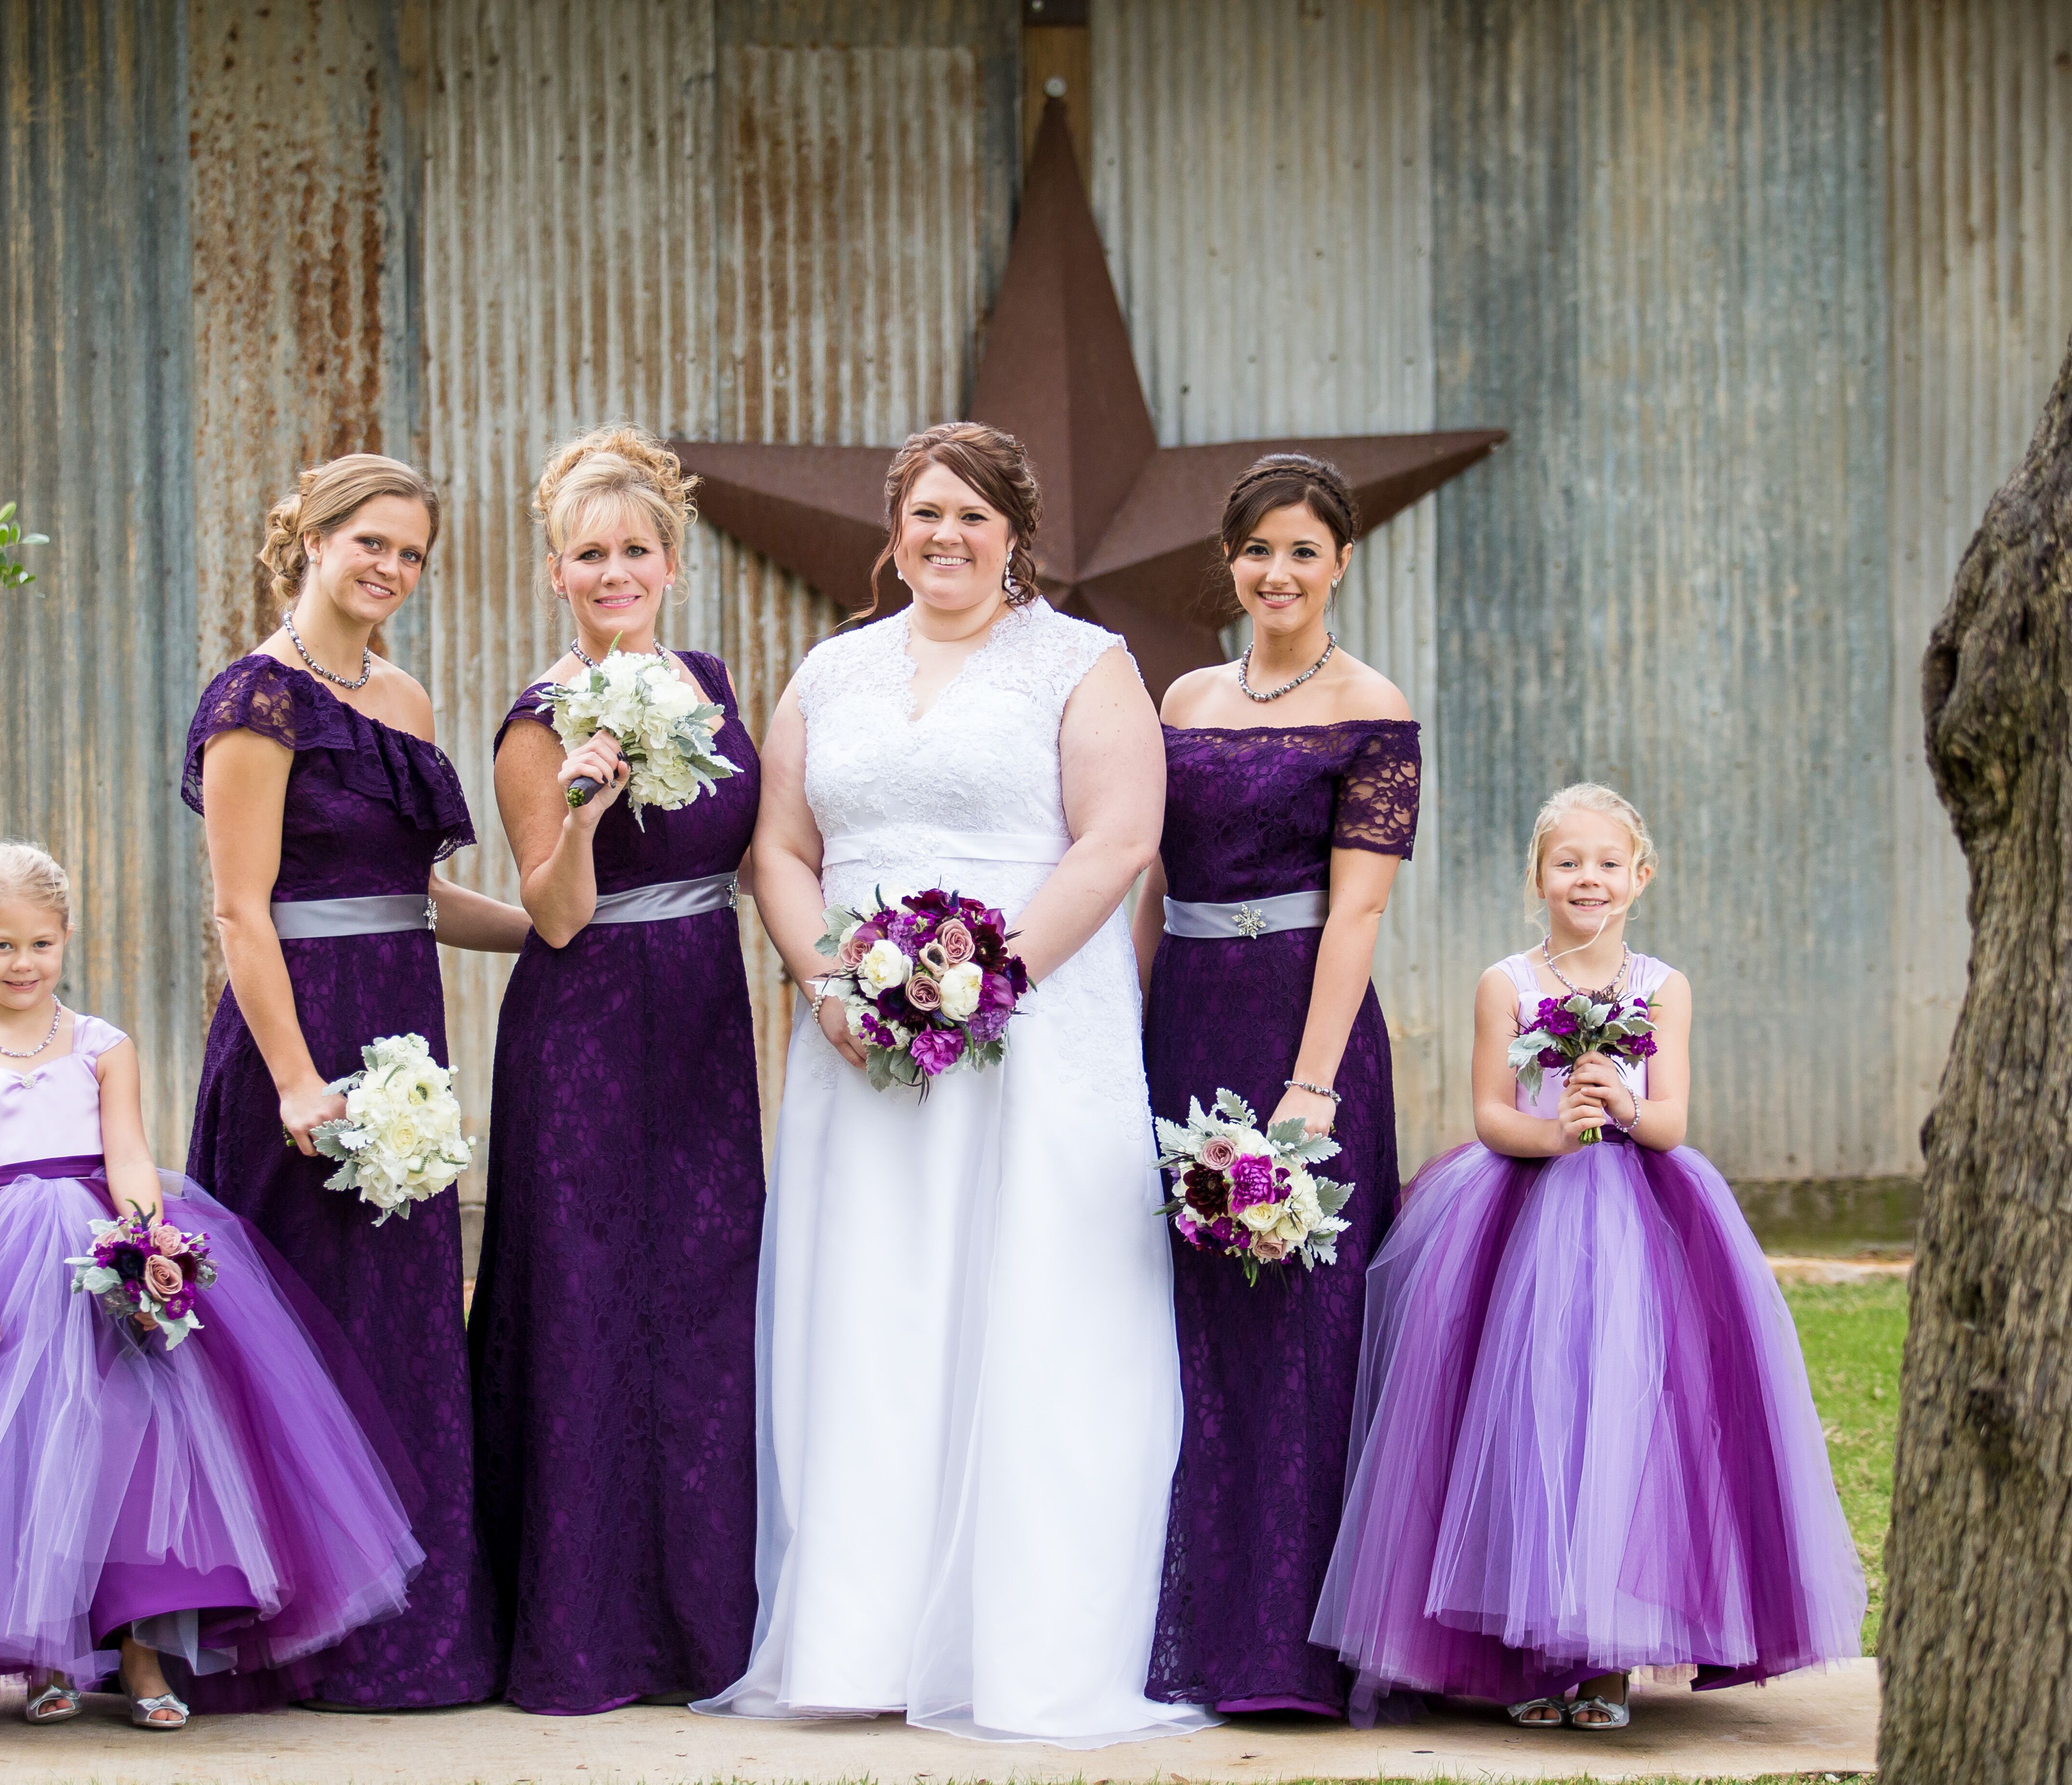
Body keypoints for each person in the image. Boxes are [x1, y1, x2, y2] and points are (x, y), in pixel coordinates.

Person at [698, 421, 1211, 1748]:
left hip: (1033, 1032)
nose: (947, 537)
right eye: (927, 512)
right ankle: (858, 1641)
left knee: (1033, 1307)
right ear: (895, 524)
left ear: (1014, 533)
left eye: (974, 517)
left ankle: (1015, 1646)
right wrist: (830, 987)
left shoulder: (1084, 664)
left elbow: (1119, 842)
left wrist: (989, 976)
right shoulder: (832, 668)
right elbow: (782, 851)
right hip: (859, 1046)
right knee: (872, 1312)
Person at [0, 844, 423, 1728]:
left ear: (66, 940)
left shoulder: (101, 1046)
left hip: (100, 1264)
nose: (24, 964)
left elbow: (127, 1153)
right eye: (2, 946)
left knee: (133, 1447)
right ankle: (44, 1658)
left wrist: (147, 1244)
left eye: (41, 944)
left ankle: (141, 1658)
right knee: (10, 1460)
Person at [1310, 785, 1866, 1729]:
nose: (1589, 880)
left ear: (1640, 878)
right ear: (1539, 878)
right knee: (1527, 1422)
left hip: (1638, 1234)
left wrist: (1622, 1107)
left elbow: (1674, 1119)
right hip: (1522, 1226)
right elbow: (1491, 1113)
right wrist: (1556, 1132)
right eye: (1569, 863)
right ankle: (1529, 1661)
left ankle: (1605, 1663)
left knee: (1617, 1424)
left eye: (1609, 864)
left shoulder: (1663, 986)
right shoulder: (1507, 984)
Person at [183, 453, 530, 1709]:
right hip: (300, 1054)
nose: (389, 568)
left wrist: (556, 928)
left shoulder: (407, 702)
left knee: (403, 1334)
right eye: (368, 542)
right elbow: (239, 909)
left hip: (402, 1062)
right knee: (294, 1343)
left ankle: (404, 1642)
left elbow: (421, 901)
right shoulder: (253, 703)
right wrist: (291, 1081)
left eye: (411, 553)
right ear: (310, 541)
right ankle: (282, 1640)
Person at [467, 426, 763, 1713]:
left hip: (704, 1015)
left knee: (704, 1305)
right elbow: (558, 914)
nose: (612, 570)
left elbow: (761, 850)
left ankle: (707, 1632)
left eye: (634, 548)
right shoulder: (538, 718)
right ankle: (584, 1638)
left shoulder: (710, 681)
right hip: (585, 1029)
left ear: (672, 559)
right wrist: (588, 799)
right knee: (586, 1310)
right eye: (588, 554)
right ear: (555, 572)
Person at [1132, 454, 1420, 1721]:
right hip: (1182, 1020)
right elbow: (1148, 883)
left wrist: (1310, 1088)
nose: (1278, 574)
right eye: (1259, 551)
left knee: (1304, 1332)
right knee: (1177, 1327)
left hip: (1306, 1028)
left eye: (1304, 551)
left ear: (1341, 562)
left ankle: (1293, 1652)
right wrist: (1116, 1044)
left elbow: (1357, 911)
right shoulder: (1183, 696)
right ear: (1231, 562)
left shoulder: (1373, 706)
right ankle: (1178, 1628)